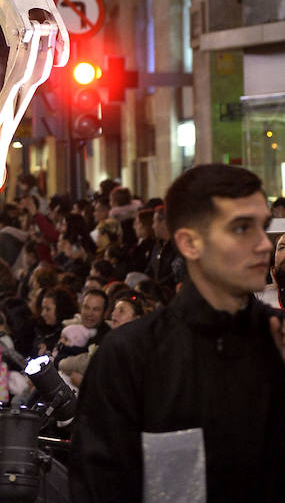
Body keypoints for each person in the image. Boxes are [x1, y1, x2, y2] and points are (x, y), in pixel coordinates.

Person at [69, 163, 285, 503]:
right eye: (242, 228)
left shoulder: (276, 341)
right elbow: (100, 486)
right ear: (189, 243)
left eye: (263, 227)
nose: (263, 245)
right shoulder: (131, 356)